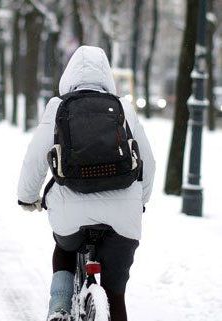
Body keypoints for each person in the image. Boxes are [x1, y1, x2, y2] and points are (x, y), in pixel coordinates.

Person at [17, 46, 156, 321]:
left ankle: (58, 307)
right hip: (123, 217)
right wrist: (140, 200)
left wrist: (27, 196)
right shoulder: (123, 107)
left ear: (68, 76)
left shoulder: (58, 107)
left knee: (65, 250)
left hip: (70, 214)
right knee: (116, 293)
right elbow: (147, 161)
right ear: (107, 75)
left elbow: (35, 157)